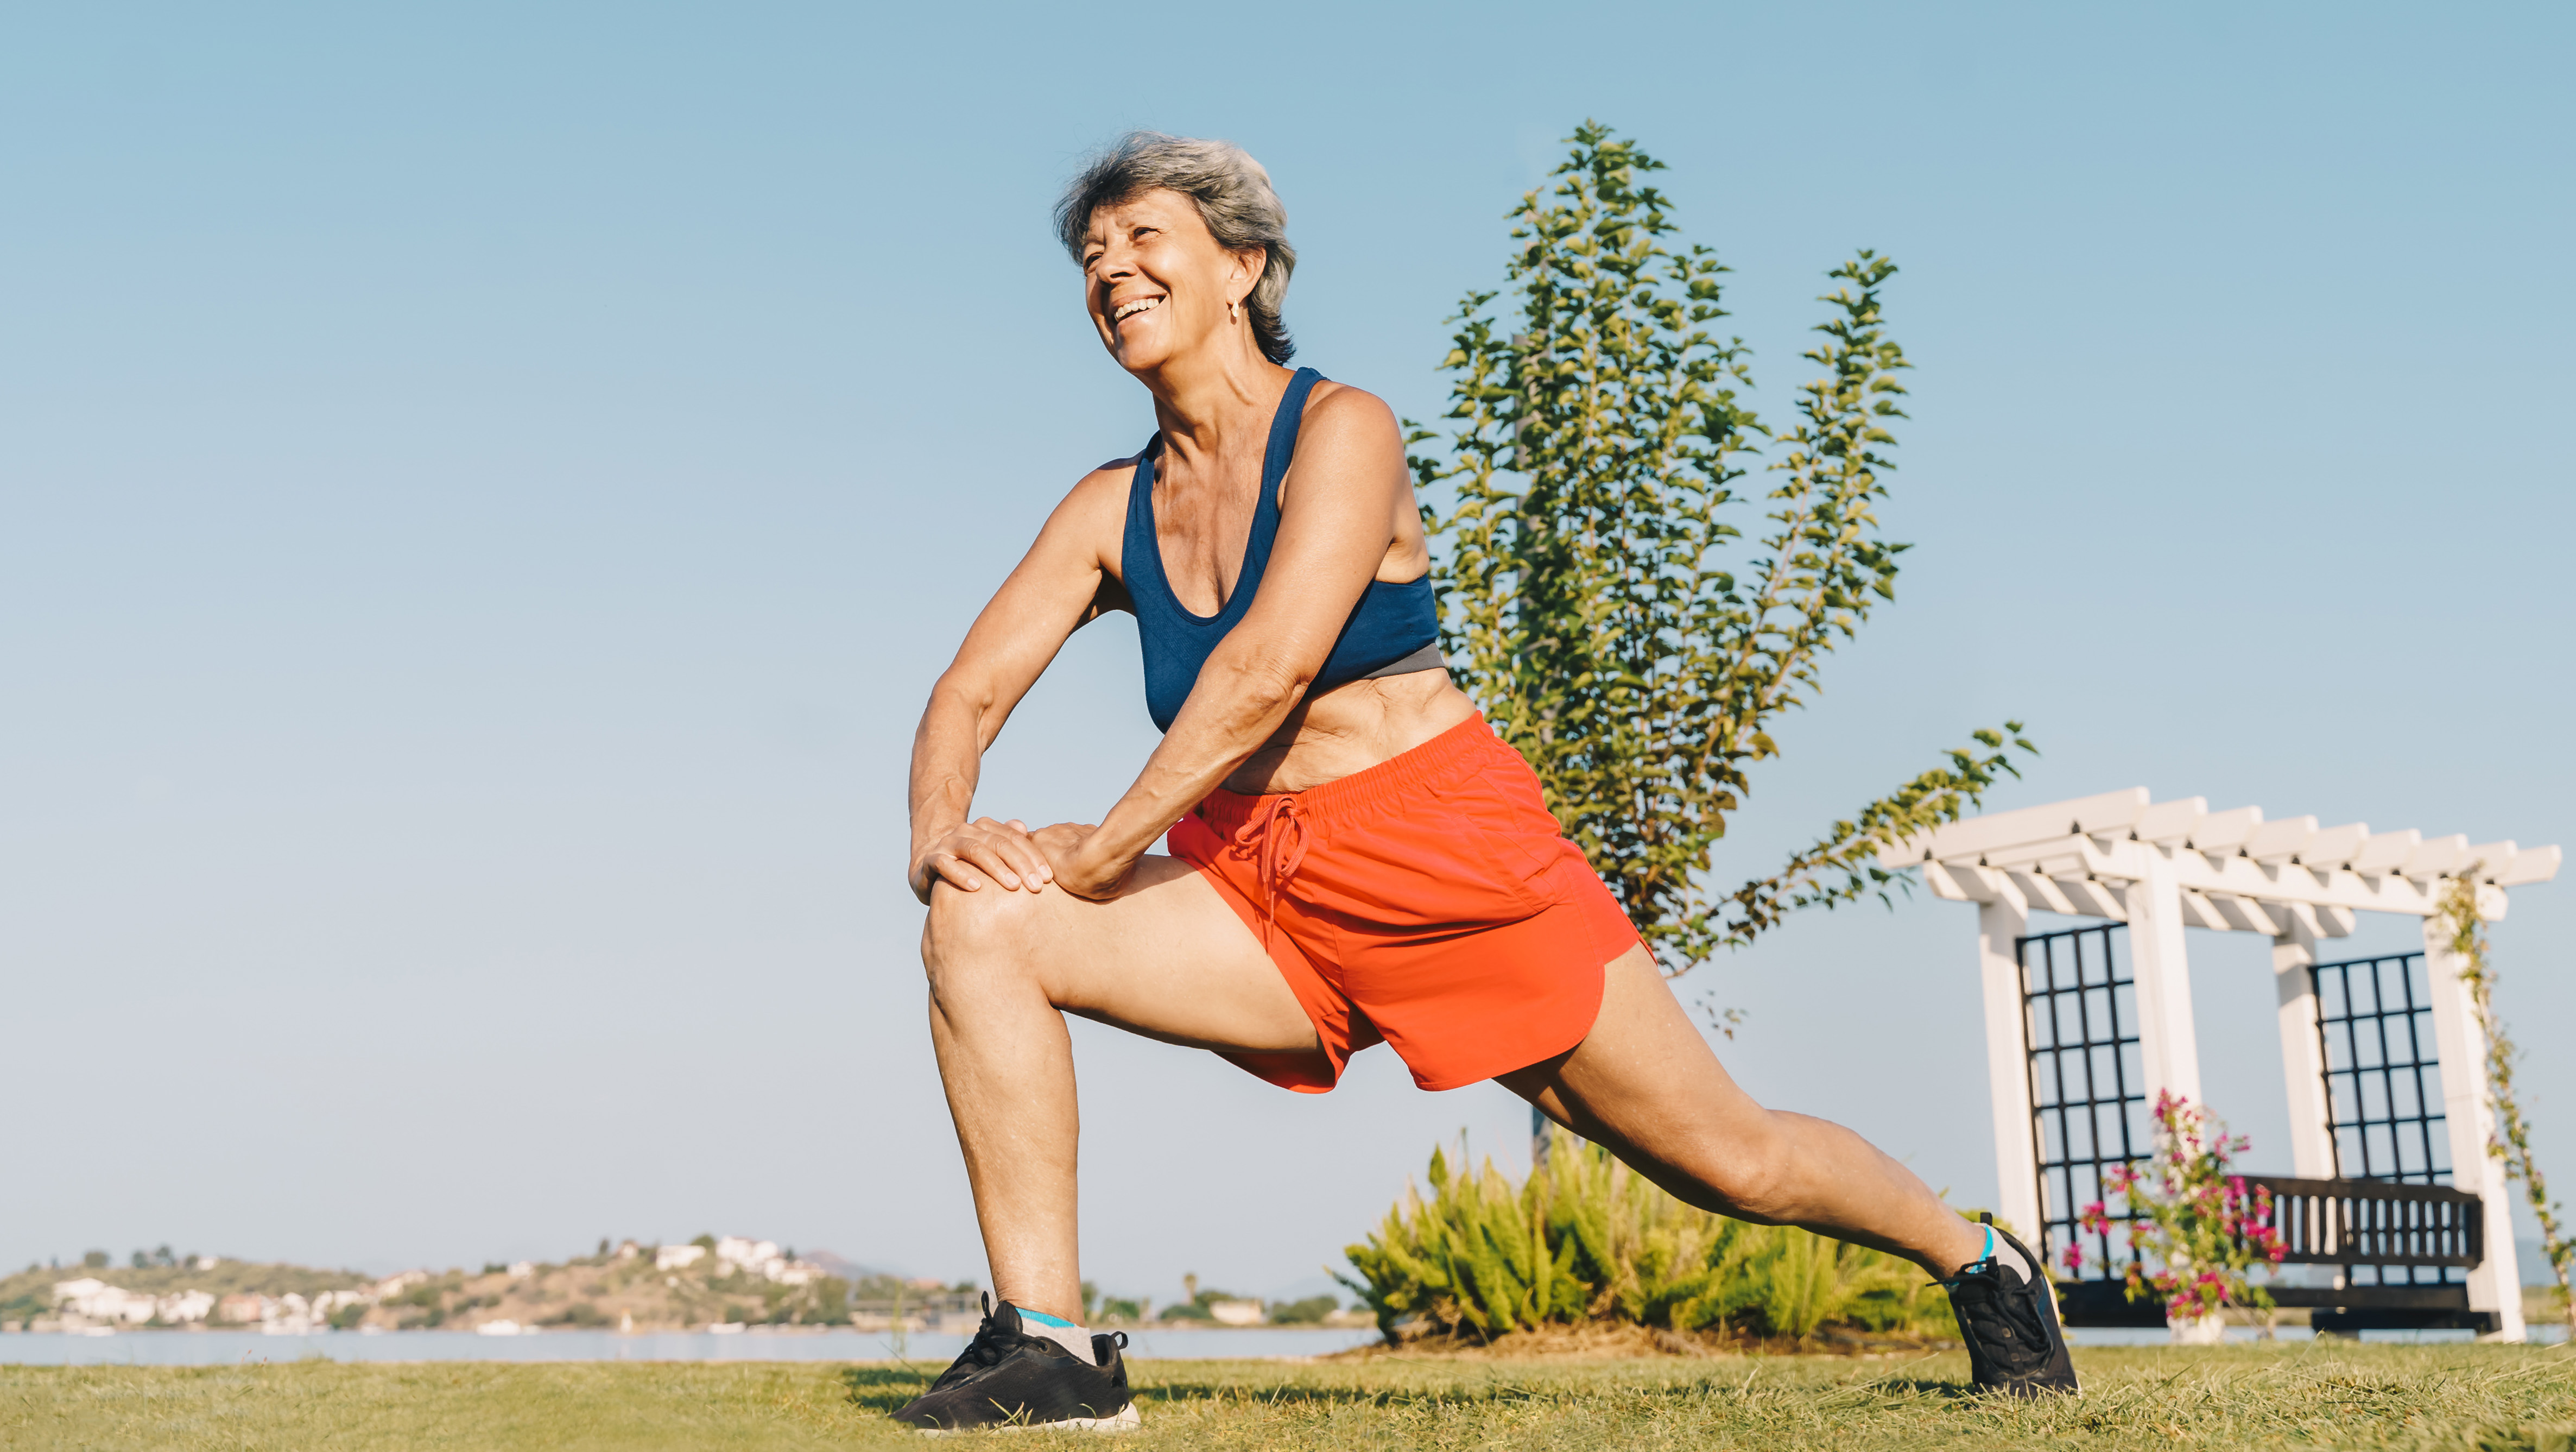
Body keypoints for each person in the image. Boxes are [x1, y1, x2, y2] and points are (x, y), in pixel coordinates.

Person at [893, 132, 2076, 1431]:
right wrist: (941, 837)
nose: (1110, 269)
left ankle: (1976, 1256)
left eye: (1141, 239)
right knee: (983, 919)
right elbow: (968, 691)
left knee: (1730, 1157)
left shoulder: (1343, 430)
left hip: (1446, 851)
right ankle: (1049, 1346)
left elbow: (1270, 670)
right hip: (1260, 885)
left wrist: (1106, 847)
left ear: (1242, 266)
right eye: (1091, 254)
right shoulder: (1106, 506)